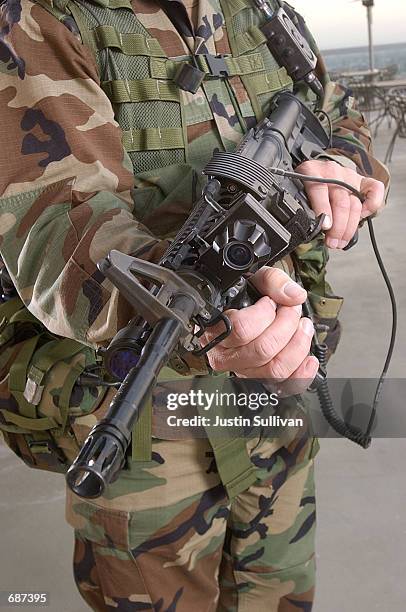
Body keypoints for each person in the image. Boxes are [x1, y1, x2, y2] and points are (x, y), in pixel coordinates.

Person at [0, 0, 389, 609]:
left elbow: (337, 112)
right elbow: (58, 225)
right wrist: (211, 315)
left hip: (276, 393)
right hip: (146, 432)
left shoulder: (256, 8)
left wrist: (339, 166)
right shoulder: (39, 15)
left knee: (282, 595)